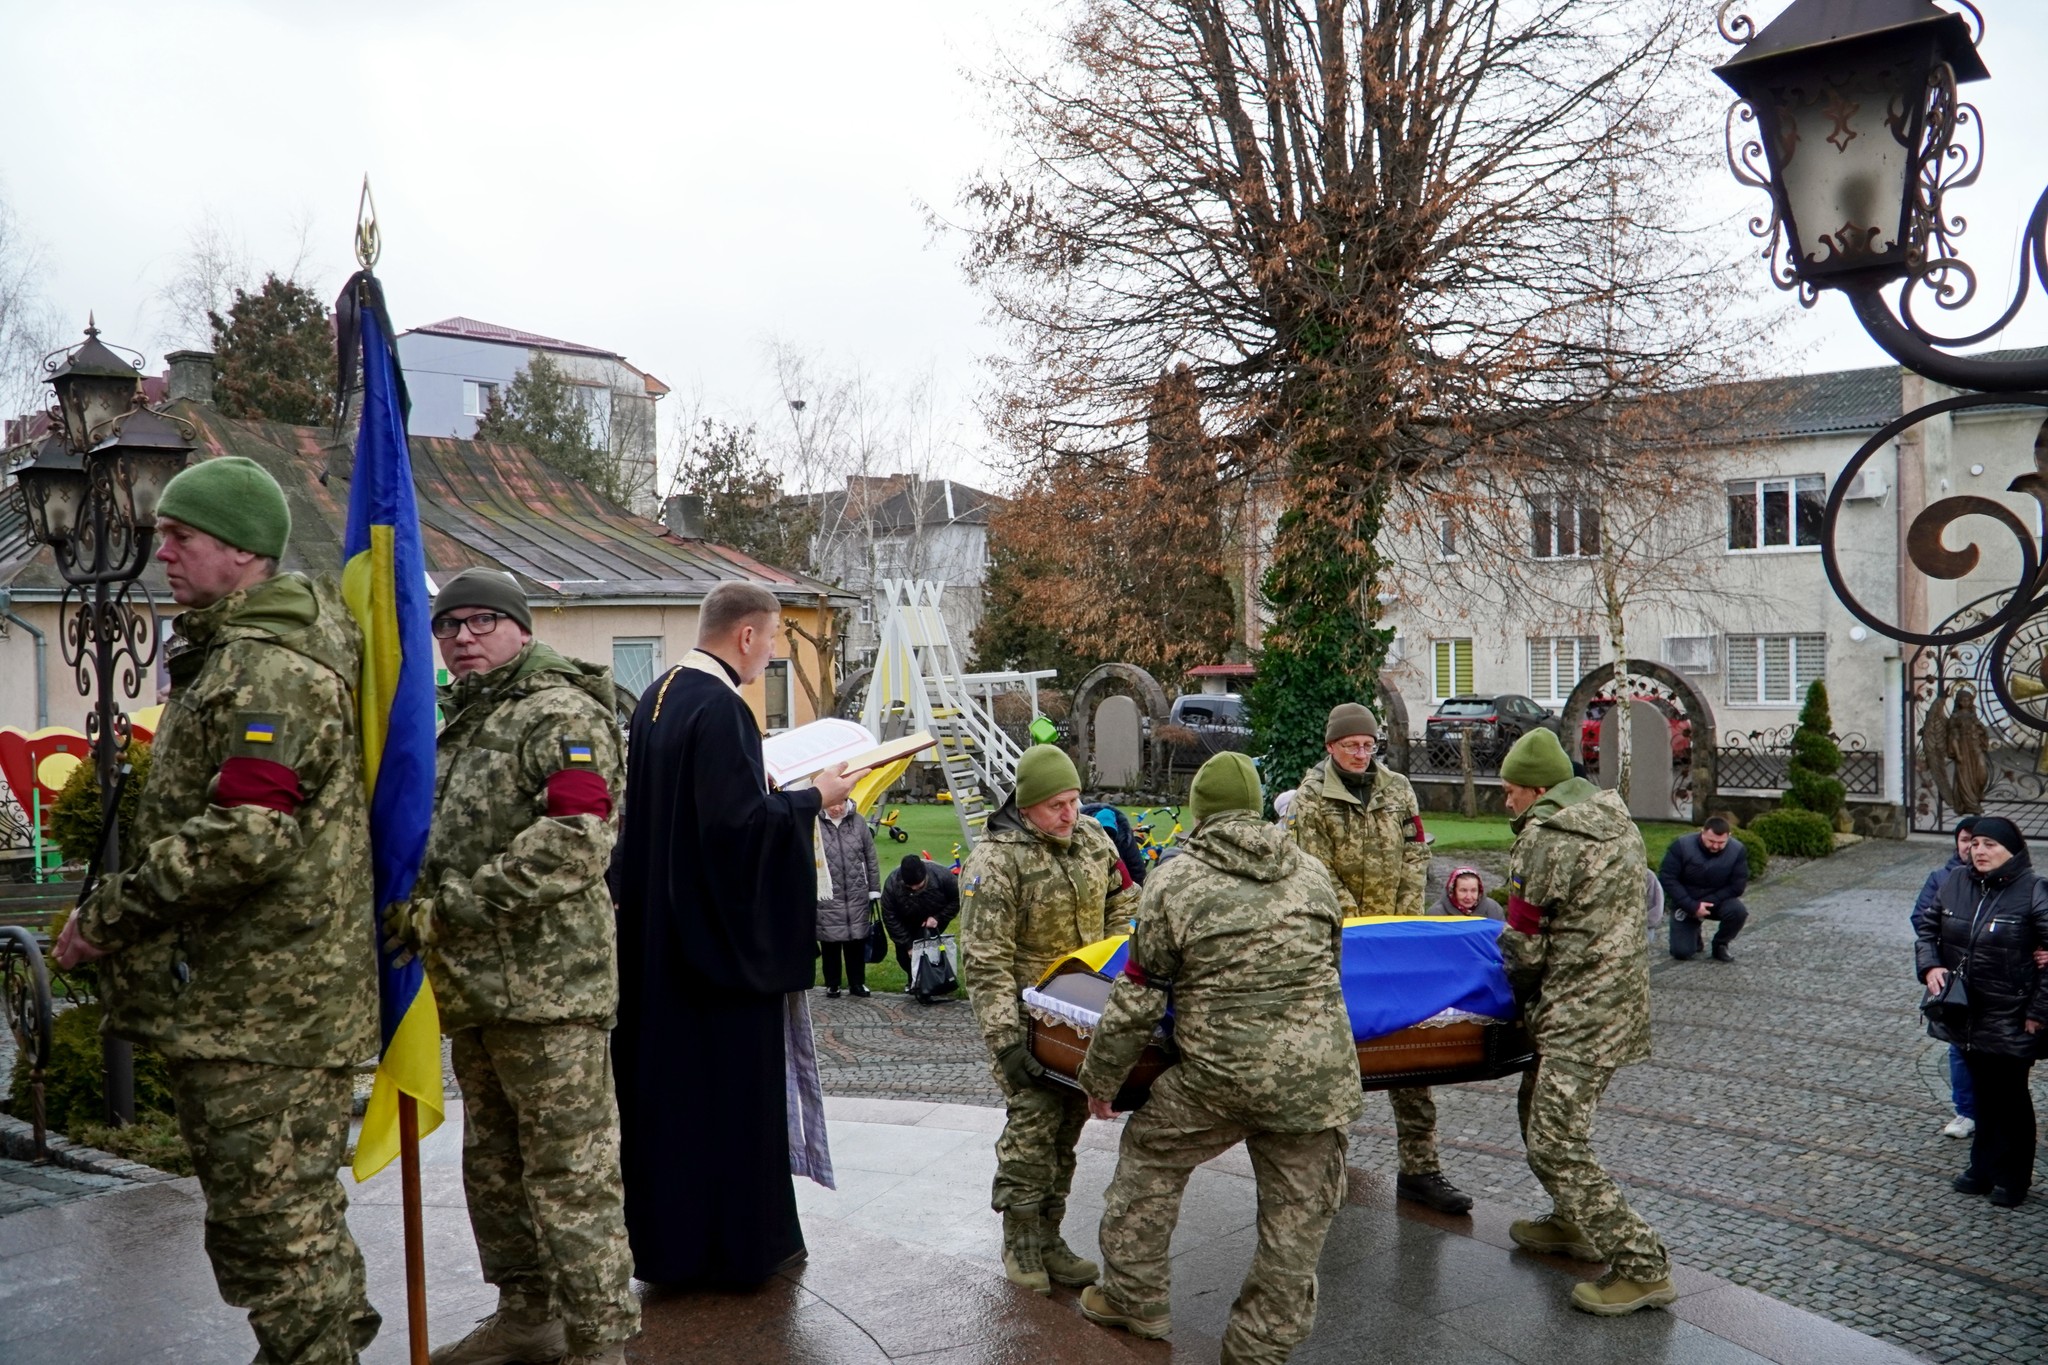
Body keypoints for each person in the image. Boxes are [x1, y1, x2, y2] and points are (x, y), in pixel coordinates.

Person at [53, 457, 380, 1363]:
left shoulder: (271, 670)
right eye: (163, 535)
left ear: (241, 551)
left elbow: (245, 836)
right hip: (254, 1002)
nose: (163, 552)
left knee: (276, 1238)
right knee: (283, 1231)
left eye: (181, 536)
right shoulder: (240, 654)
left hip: (265, 1009)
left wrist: (109, 916)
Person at [383, 568, 638, 1365]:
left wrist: (451, 906)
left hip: (551, 989)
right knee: (493, 1168)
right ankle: (529, 1311)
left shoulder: (561, 713)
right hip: (475, 989)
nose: (462, 637)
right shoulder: (454, 722)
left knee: (571, 1172)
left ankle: (600, 1339)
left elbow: (575, 837)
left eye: (481, 621)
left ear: (521, 629)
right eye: (448, 626)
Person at [609, 581, 863, 1288]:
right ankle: (735, 1253)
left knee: (670, 1108)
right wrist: (818, 797)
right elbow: (736, 832)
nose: (773, 650)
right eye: (775, 636)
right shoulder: (721, 707)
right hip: (715, 961)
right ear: (747, 635)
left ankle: (669, 1248)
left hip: (662, 944)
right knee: (724, 1108)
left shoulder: (657, 695)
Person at [1077, 753, 1362, 1362]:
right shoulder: (1312, 875)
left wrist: (1100, 1079)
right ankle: (1258, 1349)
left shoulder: (1174, 883)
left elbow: (1139, 994)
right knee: (1297, 1222)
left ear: (1198, 814)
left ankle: (1134, 1299)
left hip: (1218, 1080)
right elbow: (1333, 968)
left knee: (1151, 1156)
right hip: (1318, 1081)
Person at [1496, 727, 1675, 1316]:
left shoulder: (1544, 839)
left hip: (1576, 1011)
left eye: (1512, 792)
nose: (1507, 803)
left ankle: (1642, 1265)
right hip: (1619, 1003)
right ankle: (1573, 1221)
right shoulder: (1616, 820)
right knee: (1534, 1106)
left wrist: (1515, 997)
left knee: (1555, 1143)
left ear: (1539, 790)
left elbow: (1524, 944)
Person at [960, 743, 1138, 1293]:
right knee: (1031, 1136)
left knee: (1066, 1135)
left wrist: (1118, 953)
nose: (1070, 814)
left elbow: (1125, 901)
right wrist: (1006, 1043)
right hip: (1028, 1025)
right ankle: (1021, 1244)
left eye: (1074, 800)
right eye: (1057, 804)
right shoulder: (996, 859)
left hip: (1084, 1025)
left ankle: (1052, 1238)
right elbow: (984, 961)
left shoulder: (1091, 838)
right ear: (1029, 805)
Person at [1287, 702, 1470, 1215]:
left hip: (1398, 938)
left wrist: (1403, 920)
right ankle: (1328, 1169)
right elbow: (1313, 871)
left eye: (1368, 745)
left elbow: (1416, 853)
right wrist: (1363, 927)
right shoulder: (1310, 799)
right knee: (1335, 1060)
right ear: (1331, 748)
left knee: (1412, 1053)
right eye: (1352, 746)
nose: (1362, 754)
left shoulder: (1397, 789)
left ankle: (1422, 1169)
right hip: (1343, 946)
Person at [1913, 815, 2048, 1207]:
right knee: (1981, 1095)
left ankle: (2013, 1177)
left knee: (2010, 1097)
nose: (1980, 851)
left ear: (2013, 851)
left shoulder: (2034, 891)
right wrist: (1930, 965)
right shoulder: (1956, 883)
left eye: (1990, 845)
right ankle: (1982, 1168)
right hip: (1965, 1010)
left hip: (2013, 1013)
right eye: (1976, 844)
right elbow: (1927, 928)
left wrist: (2039, 1010)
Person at [1914, 817, 1985, 1139]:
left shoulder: (2018, 884)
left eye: (1979, 840)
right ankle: (1966, 1110)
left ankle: (1993, 1110)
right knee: (1957, 1046)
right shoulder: (1942, 879)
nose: (1972, 847)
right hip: (1953, 976)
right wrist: (1937, 960)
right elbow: (1922, 919)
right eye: (1966, 839)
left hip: (1992, 978)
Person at [815, 794, 882, 998]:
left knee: (856, 941)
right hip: (827, 893)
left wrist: (873, 889)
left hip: (856, 892)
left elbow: (870, 856)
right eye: (832, 803)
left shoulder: (859, 822)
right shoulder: (814, 824)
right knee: (830, 942)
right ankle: (832, 983)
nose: (837, 808)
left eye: (840, 803)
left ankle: (857, 983)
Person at [1659, 816, 1750, 962]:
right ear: (1702, 832)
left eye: (1721, 843)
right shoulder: (1681, 846)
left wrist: (1707, 902)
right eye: (1711, 841)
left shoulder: (1737, 850)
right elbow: (1667, 878)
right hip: (1686, 901)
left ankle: (1720, 944)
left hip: (1718, 900)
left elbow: (1737, 886)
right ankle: (1694, 935)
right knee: (1682, 953)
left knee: (1738, 912)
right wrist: (1692, 906)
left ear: (1729, 837)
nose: (1715, 846)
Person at [880, 852, 959, 991]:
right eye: (910, 886)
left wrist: (938, 918)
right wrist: (908, 945)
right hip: (905, 920)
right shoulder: (892, 884)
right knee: (904, 956)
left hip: (934, 917)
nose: (915, 888)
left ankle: (935, 981)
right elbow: (890, 917)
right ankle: (913, 980)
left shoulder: (943, 876)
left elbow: (957, 900)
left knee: (930, 952)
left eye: (919, 885)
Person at [1432, 866, 1504, 921]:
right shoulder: (1437, 913)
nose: (1468, 897)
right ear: (1453, 891)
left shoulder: (1494, 909)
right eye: (1463, 890)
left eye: (1473, 890)